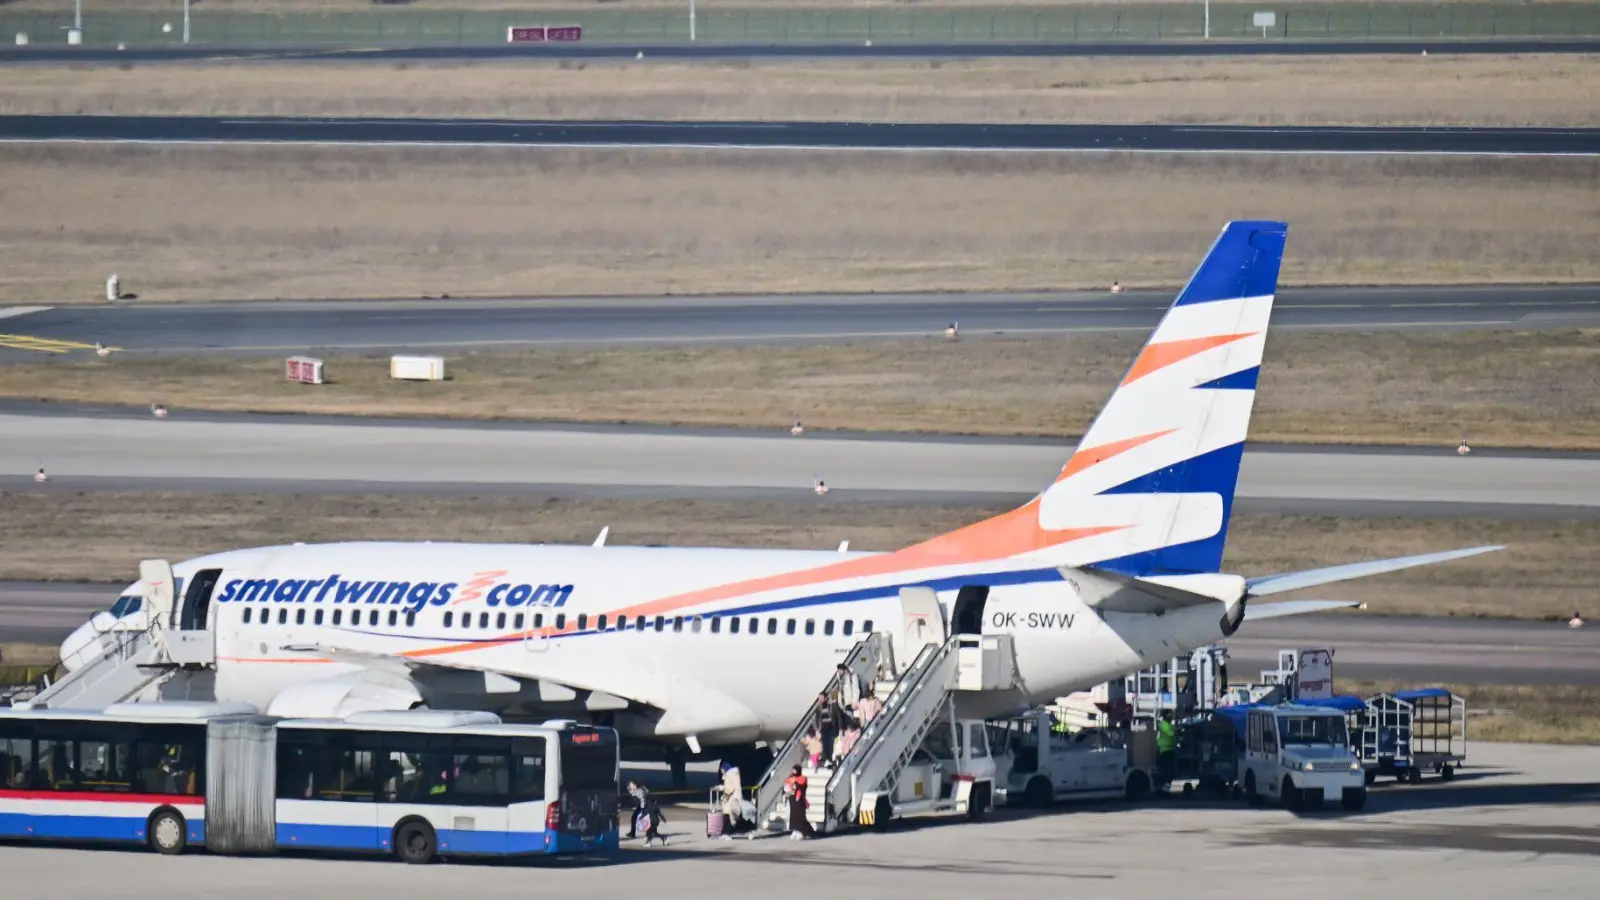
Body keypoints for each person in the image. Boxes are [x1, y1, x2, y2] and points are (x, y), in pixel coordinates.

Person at [783, 764, 813, 840]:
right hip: (792, 798)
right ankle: (795, 829)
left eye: (795, 770)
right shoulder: (790, 778)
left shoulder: (803, 778)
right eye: (793, 770)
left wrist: (794, 784)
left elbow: (801, 786)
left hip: (800, 799)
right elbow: (786, 786)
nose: (793, 772)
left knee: (800, 815)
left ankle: (802, 831)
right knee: (793, 815)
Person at [718, 761, 745, 838]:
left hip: (731, 800)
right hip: (736, 799)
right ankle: (725, 833)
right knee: (732, 817)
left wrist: (723, 798)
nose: (721, 771)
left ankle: (726, 833)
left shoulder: (730, 776)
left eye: (722, 769)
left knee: (728, 817)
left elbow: (729, 789)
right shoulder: (734, 775)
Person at [1156, 712, 1178, 789]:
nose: (1171, 716)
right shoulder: (1164, 724)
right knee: (1167, 771)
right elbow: (1171, 733)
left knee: (1170, 771)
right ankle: (1164, 788)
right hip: (1165, 750)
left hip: (1170, 750)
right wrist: (1174, 727)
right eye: (1170, 715)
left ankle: (1166, 787)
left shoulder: (1168, 724)